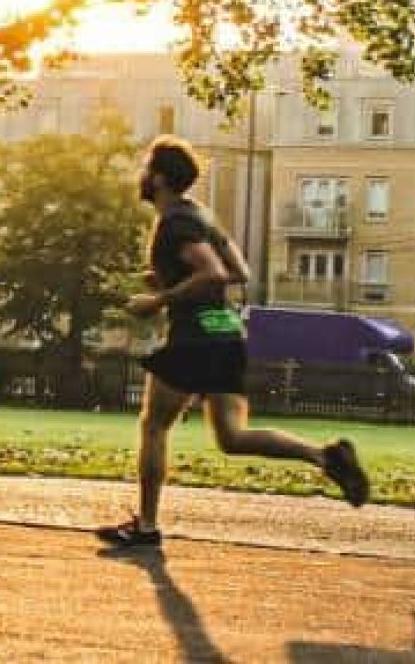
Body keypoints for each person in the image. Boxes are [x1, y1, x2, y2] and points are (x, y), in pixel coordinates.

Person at [97, 135, 369, 548]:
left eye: (146, 168)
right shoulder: (201, 216)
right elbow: (239, 269)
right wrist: (171, 275)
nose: (141, 174)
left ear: (160, 178)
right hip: (225, 333)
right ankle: (325, 456)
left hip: (194, 338)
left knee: (153, 426)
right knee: (232, 437)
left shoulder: (176, 223)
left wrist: (159, 300)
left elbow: (215, 274)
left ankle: (147, 527)